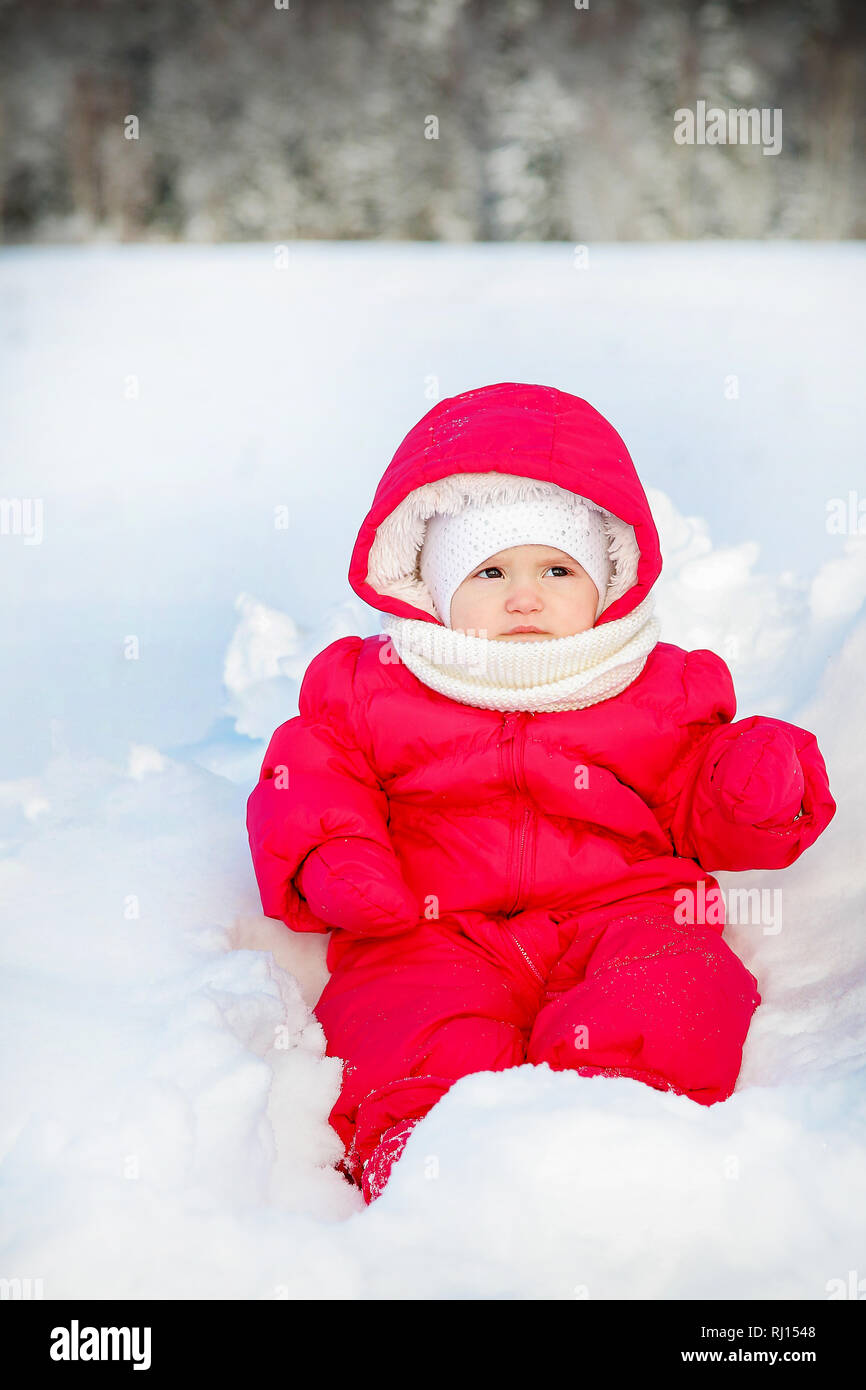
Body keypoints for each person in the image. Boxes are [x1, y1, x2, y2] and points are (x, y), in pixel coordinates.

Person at [246, 381, 836, 1205]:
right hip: (430, 924)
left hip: (625, 913)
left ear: (607, 580)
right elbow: (310, 770)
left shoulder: (656, 688)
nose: (525, 595)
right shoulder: (376, 685)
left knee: (677, 985)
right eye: (489, 571)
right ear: (432, 590)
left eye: (557, 568)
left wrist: (750, 787)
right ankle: (428, 1163)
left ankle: (624, 1129)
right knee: (400, 1022)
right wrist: (337, 855)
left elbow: (698, 803)